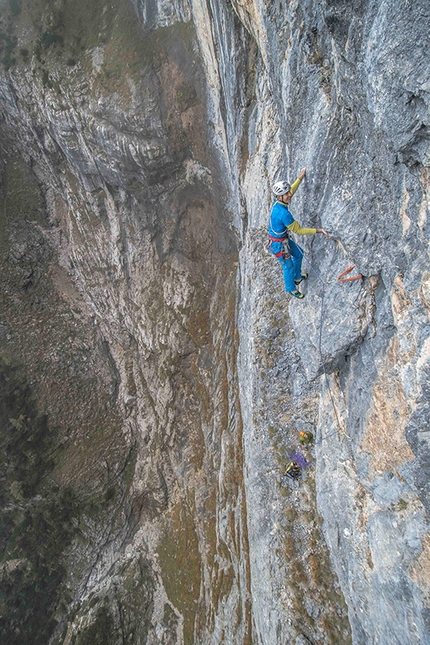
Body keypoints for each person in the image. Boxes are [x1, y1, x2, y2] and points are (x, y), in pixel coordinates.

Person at [268, 168, 327, 299]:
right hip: (279, 245)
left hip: (281, 240)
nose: (289, 194)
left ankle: (297, 277)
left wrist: (300, 178)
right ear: (280, 196)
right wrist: (318, 230)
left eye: (288, 192)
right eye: (286, 193)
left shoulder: (278, 203)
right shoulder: (284, 214)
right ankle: (291, 289)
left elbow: (291, 191)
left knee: (299, 254)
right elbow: (298, 230)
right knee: (287, 266)